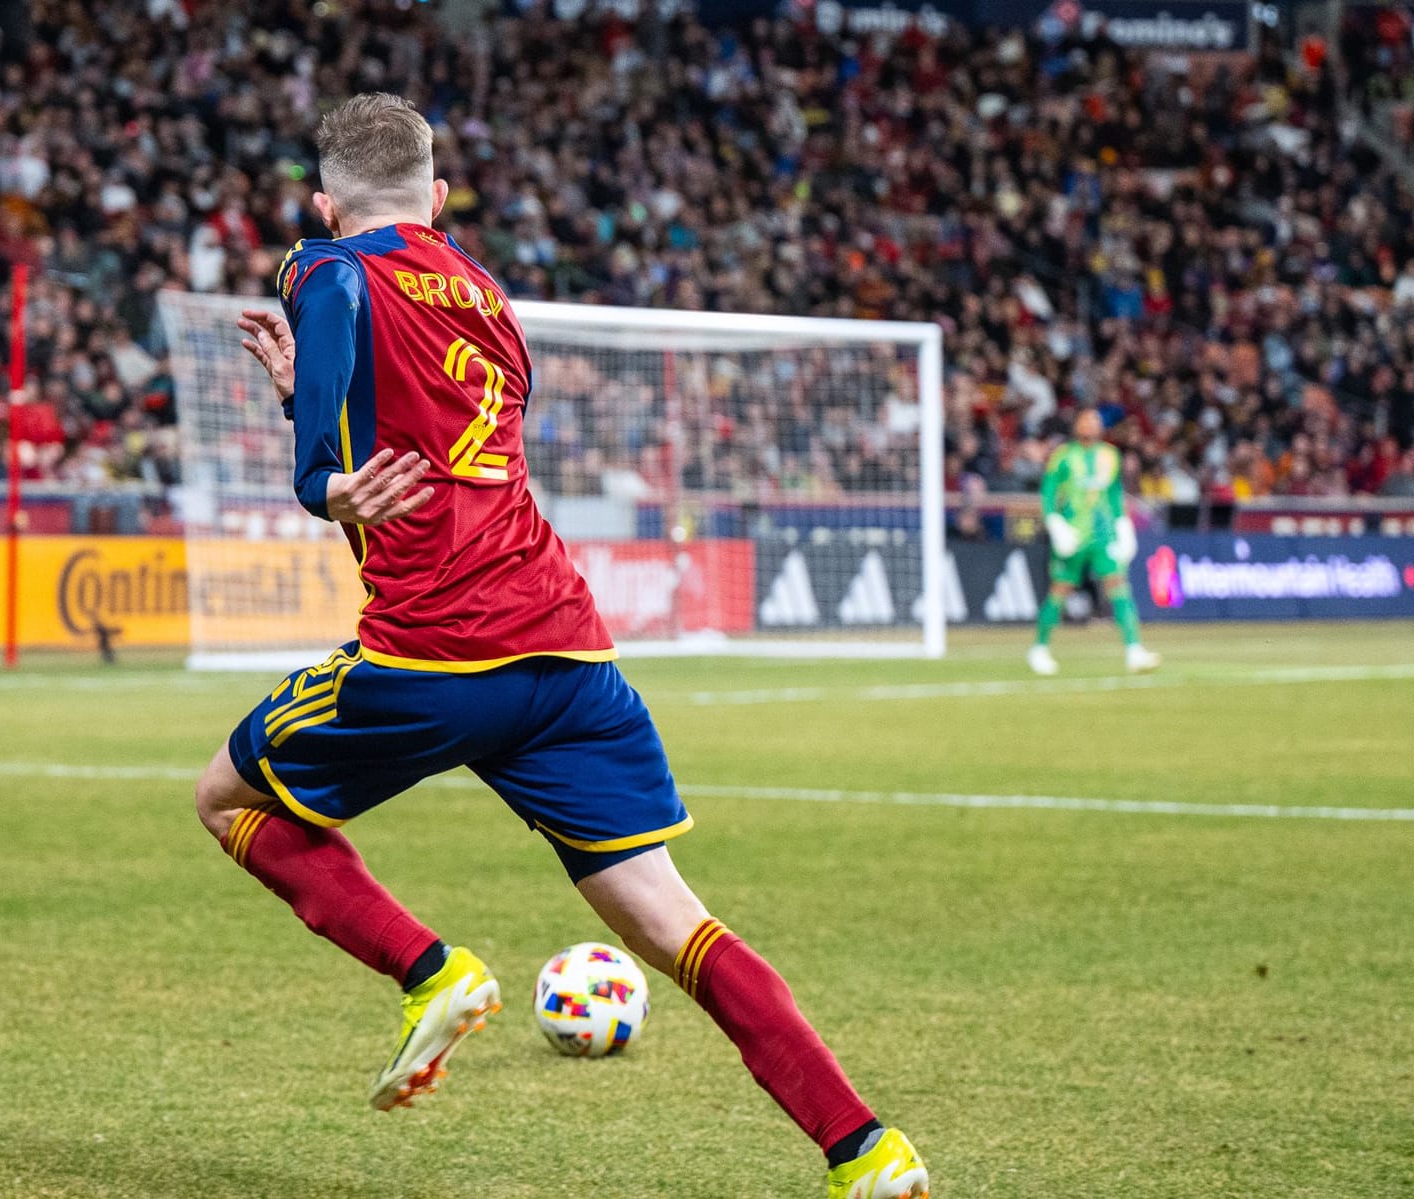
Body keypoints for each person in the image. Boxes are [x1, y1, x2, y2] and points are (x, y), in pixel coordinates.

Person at [193, 94, 929, 1199]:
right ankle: (867, 1148)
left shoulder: (326, 263)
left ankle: (430, 969)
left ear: (324, 201)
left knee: (228, 800)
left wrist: (322, 476)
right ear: (440, 202)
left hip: (436, 658)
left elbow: (336, 296)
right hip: (571, 659)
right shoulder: (485, 294)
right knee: (679, 926)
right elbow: (426, 418)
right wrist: (322, 396)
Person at [1028, 409, 1161, 676]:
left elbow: (1114, 494)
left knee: (1119, 586)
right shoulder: (1063, 456)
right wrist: (1054, 523)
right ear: (1076, 425)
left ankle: (1134, 650)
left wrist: (1123, 525)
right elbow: (1049, 491)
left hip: (1103, 535)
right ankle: (1039, 648)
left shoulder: (1110, 456)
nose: (1091, 424)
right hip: (1073, 533)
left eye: (1095, 421)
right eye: (1086, 420)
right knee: (1060, 589)